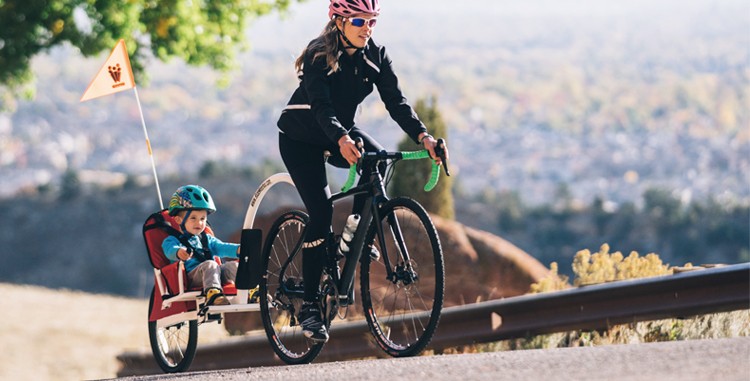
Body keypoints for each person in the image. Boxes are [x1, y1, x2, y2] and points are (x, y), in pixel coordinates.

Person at [276, 0, 449, 343]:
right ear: (338, 20)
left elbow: (397, 102)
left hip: (339, 133)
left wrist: (424, 136)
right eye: (359, 20)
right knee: (322, 211)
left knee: (377, 160)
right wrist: (341, 138)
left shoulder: (376, 56)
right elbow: (322, 107)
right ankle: (310, 305)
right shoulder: (318, 54)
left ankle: (353, 234)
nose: (367, 28)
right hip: (301, 139)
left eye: (372, 21)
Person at [162, 185, 240, 306]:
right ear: (178, 220)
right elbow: (169, 250)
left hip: (214, 273)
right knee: (210, 264)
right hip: (192, 278)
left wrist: (238, 249)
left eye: (202, 218)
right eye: (193, 218)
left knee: (233, 265)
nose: (199, 223)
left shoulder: (206, 239)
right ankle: (214, 296)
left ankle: (252, 291)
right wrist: (178, 252)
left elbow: (222, 247)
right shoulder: (172, 240)